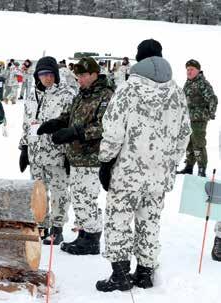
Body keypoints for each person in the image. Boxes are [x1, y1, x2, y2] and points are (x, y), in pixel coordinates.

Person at [95, 39, 191, 292]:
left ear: (139, 59)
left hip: (127, 171)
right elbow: (184, 134)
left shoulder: (128, 89)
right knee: (150, 220)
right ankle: (146, 272)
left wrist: (105, 161)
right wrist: (170, 163)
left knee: (118, 219)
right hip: (159, 174)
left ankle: (120, 274)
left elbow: (113, 131)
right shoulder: (177, 92)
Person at [38, 57, 113, 252]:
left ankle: (92, 239)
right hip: (77, 157)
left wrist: (76, 132)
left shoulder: (105, 96)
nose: (79, 79)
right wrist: (57, 123)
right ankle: (85, 235)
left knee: (86, 198)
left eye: (82, 75)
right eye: (77, 75)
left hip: (92, 157)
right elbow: (69, 115)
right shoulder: (82, 94)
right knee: (79, 199)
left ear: (94, 74)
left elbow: (105, 126)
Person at [21, 56, 75, 245]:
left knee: (60, 192)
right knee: (38, 193)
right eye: (43, 74)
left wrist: (70, 152)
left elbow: (71, 124)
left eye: (50, 74)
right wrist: (24, 147)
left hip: (57, 154)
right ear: (38, 76)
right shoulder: (31, 96)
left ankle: (57, 227)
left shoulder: (67, 95)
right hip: (36, 155)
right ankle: (42, 226)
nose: (47, 78)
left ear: (56, 75)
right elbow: (26, 124)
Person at [177, 59, 218, 177]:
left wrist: (210, 113)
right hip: (188, 120)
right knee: (188, 144)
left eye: (191, 69)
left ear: (198, 70)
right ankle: (189, 167)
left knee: (198, 145)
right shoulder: (188, 83)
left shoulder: (202, 83)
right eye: (187, 70)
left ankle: (201, 168)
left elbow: (212, 99)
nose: (188, 72)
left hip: (198, 121)